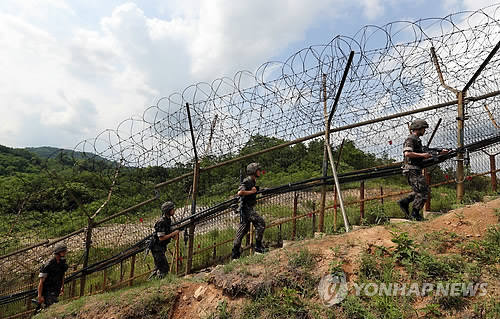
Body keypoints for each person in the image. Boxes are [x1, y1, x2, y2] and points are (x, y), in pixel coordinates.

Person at [398, 119, 448, 221]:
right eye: (423, 129)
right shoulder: (411, 139)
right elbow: (407, 153)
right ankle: (414, 214)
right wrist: (423, 155)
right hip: (412, 169)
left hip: (415, 168)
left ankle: (405, 202)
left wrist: (439, 154)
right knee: (423, 191)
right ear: (418, 128)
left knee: (420, 190)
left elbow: (423, 155)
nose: (424, 131)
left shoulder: (417, 140)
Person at [231, 162, 267, 259]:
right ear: (254, 171)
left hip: (247, 208)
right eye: (258, 170)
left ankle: (235, 253)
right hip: (246, 208)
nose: (260, 172)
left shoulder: (252, 182)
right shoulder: (247, 181)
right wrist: (252, 192)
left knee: (243, 230)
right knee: (260, 222)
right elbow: (240, 192)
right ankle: (258, 247)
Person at [150, 201, 179, 279]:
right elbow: (161, 237)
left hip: (160, 247)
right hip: (157, 248)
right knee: (164, 268)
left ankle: (152, 282)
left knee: (157, 267)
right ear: (168, 211)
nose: (174, 210)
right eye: (172, 209)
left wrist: (173, 235)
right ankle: (160, 283)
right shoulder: (162, 222)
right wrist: (173, 234)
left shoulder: (168, 220)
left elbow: (167, 232)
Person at [37, 242, 69, 308]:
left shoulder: (62, 263)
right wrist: (39, 296)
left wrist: (62, 287)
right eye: (64, 251)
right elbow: (41, 282)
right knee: (52, 305)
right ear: (59, 252)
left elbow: (62, 275)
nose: (65, 253)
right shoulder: (48, 265)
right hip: (48, 290)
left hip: (56, 288)